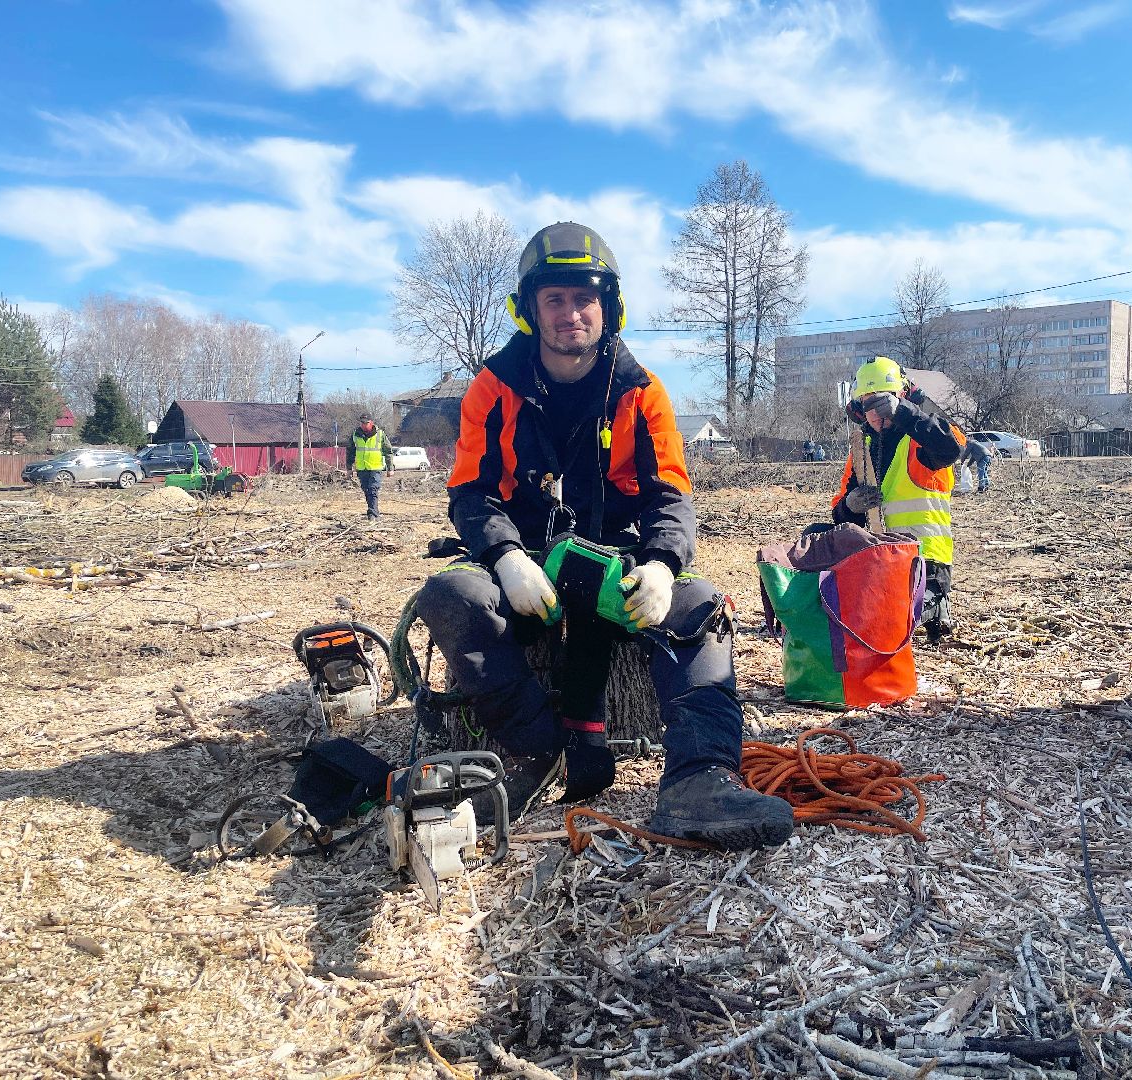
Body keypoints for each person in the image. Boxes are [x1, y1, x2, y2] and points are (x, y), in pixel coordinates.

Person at [412, 222, 793, 850]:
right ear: (529, 308)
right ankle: (533, 752)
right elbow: (470, 492)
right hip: (527, 568)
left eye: (584, 298)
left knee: (700, 605)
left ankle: (700, 779)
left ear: (608, 305)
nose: (570, 314)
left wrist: (665, 565)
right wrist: (505, 556)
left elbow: (671, 494)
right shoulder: (492, 386)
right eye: (553, 299)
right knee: (452, 593)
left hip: (614, 567)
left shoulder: (641, 390)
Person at [833, 357, 963, 643]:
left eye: (883, 403)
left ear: (901, 396)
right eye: (869, 405)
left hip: (925, 562)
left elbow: (951, 447)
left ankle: (935, 604)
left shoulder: (920, 438)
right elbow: (840, 517)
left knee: (894, 620)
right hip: (880, 560)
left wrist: (905, 413)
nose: (877, 414)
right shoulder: (861, 449)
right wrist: (850, 505)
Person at [350, 413, 393, 521]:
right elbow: (350, 452)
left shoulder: (380, 434)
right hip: (362, 468)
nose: (364, 425)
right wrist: (348, 468)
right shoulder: (355, 434)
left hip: (375, 467)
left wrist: (390, 468)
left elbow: (388, 451)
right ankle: (373, 511)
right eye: (362, 423)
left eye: (366, 423)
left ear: (371, 422)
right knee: (367, 490)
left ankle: (372, 514)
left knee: (373, 489)